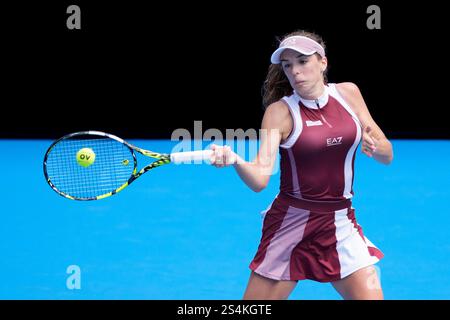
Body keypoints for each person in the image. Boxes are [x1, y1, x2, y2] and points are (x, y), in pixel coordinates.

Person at [209, 30, 393, 300]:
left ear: (323, 62)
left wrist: (375, 146)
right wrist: (235, 160)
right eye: (287, 65)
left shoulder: (349, 94)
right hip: (290, 224)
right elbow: (260, 179)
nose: (295, 71)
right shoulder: (279, 113)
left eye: (302, 61)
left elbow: (387, 154)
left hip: (341, 223)